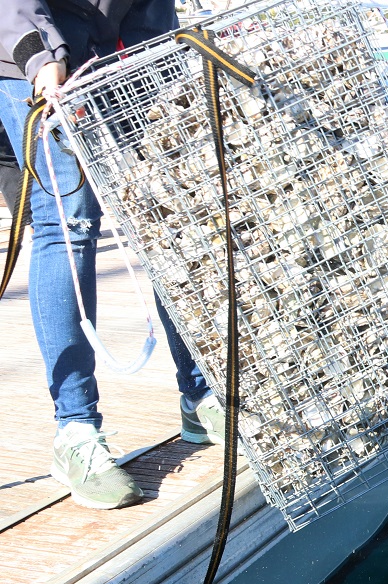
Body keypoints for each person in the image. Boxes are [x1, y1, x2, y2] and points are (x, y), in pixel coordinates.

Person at [1, 0, 225, 510]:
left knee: (165, 214)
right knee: (68, 221)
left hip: (118, 51)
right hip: (28, 53)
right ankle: (76, 432)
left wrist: (151, 57)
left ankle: (199, 393)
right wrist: (40, 54)